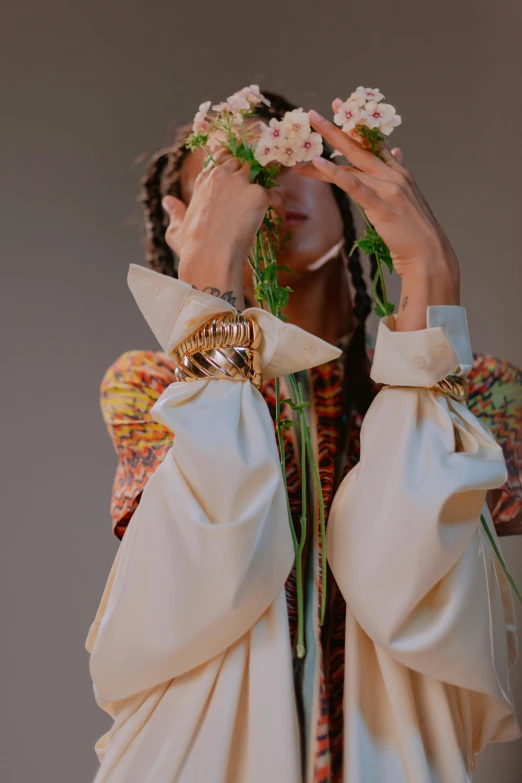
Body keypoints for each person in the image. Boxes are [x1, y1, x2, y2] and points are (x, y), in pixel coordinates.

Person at [86, 91, 522, 782]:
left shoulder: (478, 389)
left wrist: (430, 283)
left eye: (287, 153)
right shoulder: (154, 385)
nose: (267, 180)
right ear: (182, 222)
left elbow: (405, 582)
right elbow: (207, 570)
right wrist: (208, 290)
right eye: (230, 169)